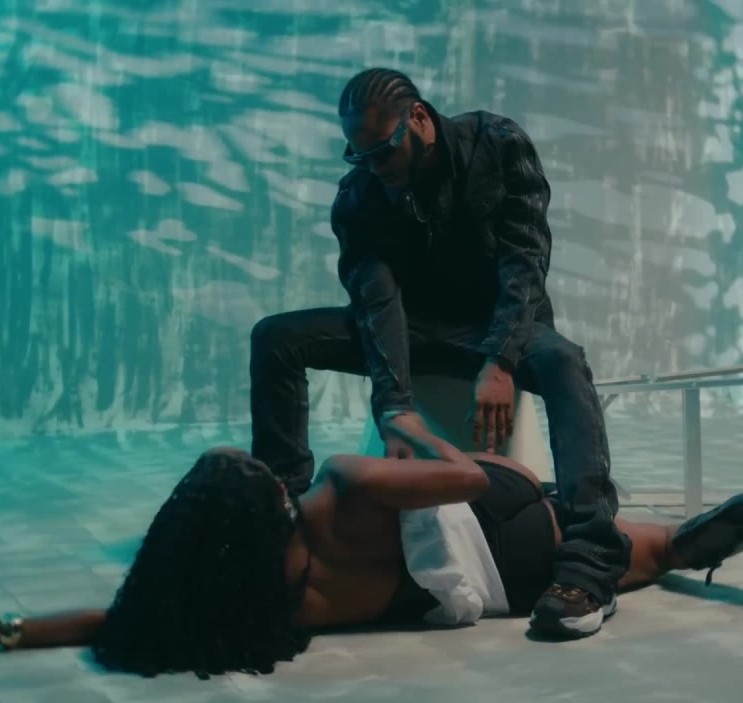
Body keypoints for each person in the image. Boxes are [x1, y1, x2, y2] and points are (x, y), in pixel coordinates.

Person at [0, 412, 743, 679]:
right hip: (507, 520)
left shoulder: (265, 604)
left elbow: (118, 621)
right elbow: (471, 482)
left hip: (500, 586)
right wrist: (412, 440)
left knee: (662, 552)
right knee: (666, 545)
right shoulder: (341, 488)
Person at [250, 66, 631, 638]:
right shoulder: (359, 194)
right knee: (276, 338)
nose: (374, 166)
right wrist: (394, 404)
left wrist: (500, 360)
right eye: (360, 156)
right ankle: (284, 513)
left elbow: (525, 261)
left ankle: (591, 563)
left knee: (564, 361)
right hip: (410, 332)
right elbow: (377, 302)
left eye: (384, 151)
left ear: (420, 118)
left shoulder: (498, 145)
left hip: (494, 326)